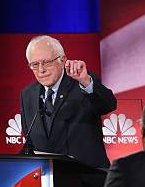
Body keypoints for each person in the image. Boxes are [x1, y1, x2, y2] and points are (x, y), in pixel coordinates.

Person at [20, 35, 117, 169]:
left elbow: (108, 105)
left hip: (87, 179)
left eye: (47, 62)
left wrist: (86, 81)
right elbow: (30, 143)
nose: (41, 70)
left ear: (63, 60)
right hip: (49, 180)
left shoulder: (81, 82)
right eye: (35, 65)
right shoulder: (27, 95)